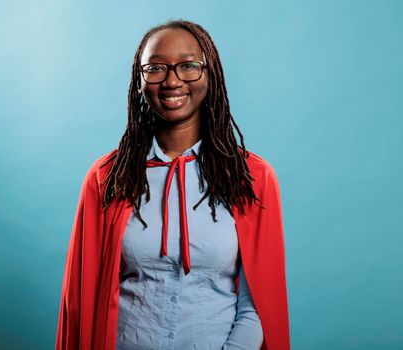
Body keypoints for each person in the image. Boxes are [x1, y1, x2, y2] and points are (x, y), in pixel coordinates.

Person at [56, 19, 290, 350]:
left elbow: (258, 305)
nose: (171, 80)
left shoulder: (252, 177)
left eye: (188, 66)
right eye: (155, 68)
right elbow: (82, 299)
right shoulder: (107, 178)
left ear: (210, 76)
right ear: (139, 81)